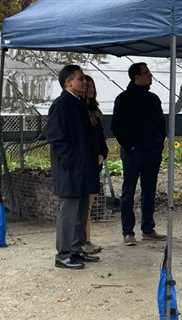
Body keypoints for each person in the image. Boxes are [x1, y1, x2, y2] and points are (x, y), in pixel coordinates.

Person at [47, 65, 100, 269]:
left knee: (80, 212)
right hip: (70, 171)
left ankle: (76, 249)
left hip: (84, 169)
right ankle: (63, 254)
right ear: (69, 82)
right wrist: (71, 162)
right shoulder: (62, 105)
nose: (84, 82)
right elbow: (57, 138)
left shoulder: (79, 104)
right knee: (68, 213)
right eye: (80, 79)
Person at [111, 62, 167, 246]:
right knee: (128, 192)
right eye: (147, 73)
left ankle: (148, 229)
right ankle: (128, 232)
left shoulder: (153, 99)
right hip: (133, 153)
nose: (150, 76)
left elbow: (161, 125)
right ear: (137, 77)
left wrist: (159, 145)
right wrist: (131, 146)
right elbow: (117, 127)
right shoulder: (123, 99)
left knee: (149, 190)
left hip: (152, 152)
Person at [82, 75, 108, 254]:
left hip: (94, 162)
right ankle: (83, 240)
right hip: (84, 163)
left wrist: (102, 153)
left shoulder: (95, 111)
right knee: (83, 206)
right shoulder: (79, 110)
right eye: (87, 86)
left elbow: (100, 137)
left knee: (88, 206)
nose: (90, 89)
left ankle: (87, 239)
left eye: (92, 86)